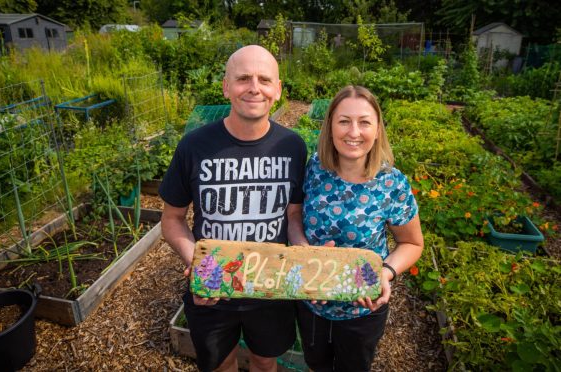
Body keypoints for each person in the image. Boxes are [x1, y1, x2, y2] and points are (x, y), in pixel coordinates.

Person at [159, 45, 308, 372]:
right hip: (213, 290)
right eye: (243, 78)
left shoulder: (293, 146)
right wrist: (199, 265)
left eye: (264, 80)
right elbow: (171, 220)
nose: (255, 87)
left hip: (271, 288)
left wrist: (307, 254)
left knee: (265, 360)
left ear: (278, 90)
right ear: (226, 86)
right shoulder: (194, 146)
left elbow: (293, 215)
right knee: (219, 363)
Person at [297, 85, 424, 371]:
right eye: (344, 121)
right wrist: (305, 253)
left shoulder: (391, 183)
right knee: (316, 363)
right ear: (330, 126)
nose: (353, 132)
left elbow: (412, 243)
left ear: (378, 129)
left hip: (361, 309)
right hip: (312, 303)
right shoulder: (315, 168)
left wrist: (386, 271)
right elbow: (295, 218)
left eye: (364, 122)